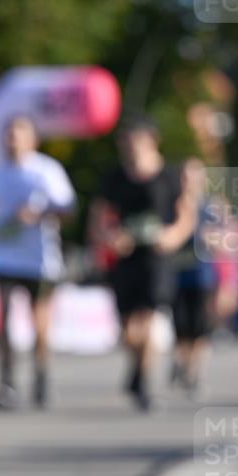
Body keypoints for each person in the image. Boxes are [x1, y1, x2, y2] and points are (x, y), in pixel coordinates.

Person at [90, 116, 195, 410]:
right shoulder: (114, 177)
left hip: (157, 257)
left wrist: (172, 237)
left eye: (135, 141)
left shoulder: (169, 176)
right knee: (127, 328)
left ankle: (145, 381)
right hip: (125, 257)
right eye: (125, 142)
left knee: (148, 318)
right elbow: (98, 217)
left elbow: (187, 214)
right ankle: (136, 367)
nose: (130, 148)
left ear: (151, 140)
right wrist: (110, 238)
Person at [0, 115, 76, 409]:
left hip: (41, 260)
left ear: (32, 139)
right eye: (8, 134)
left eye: (19, 134)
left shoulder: (46, 171)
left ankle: (41, 375)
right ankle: (6, 380)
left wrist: (39, 212)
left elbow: (68, 208)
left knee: (39, 323)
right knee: (3, 322)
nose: (13, 140)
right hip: (4, 256)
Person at [169, 159, 218, 396]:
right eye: (185, 176)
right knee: (180, 325)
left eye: (194, 176)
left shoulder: (209, 207)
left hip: (201, 274)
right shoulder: (172, 206)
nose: (189, 182)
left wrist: (212, 238)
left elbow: (223, 238)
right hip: (176, 274)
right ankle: (181, 362)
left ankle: (194, 372)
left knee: (200, 327)